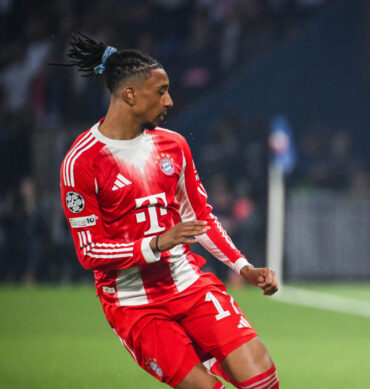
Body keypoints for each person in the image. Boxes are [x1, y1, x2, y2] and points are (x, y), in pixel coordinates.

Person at [56, 32, 279, 389]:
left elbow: (200, 218)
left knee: (262, 377)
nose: (170, 101)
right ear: (130, 94)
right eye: (161, 91)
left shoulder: (173, 146)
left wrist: (243, 267)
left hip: (187, 282)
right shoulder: (81, 162)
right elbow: (90, 251)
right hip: (134, 304)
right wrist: (157, 243)